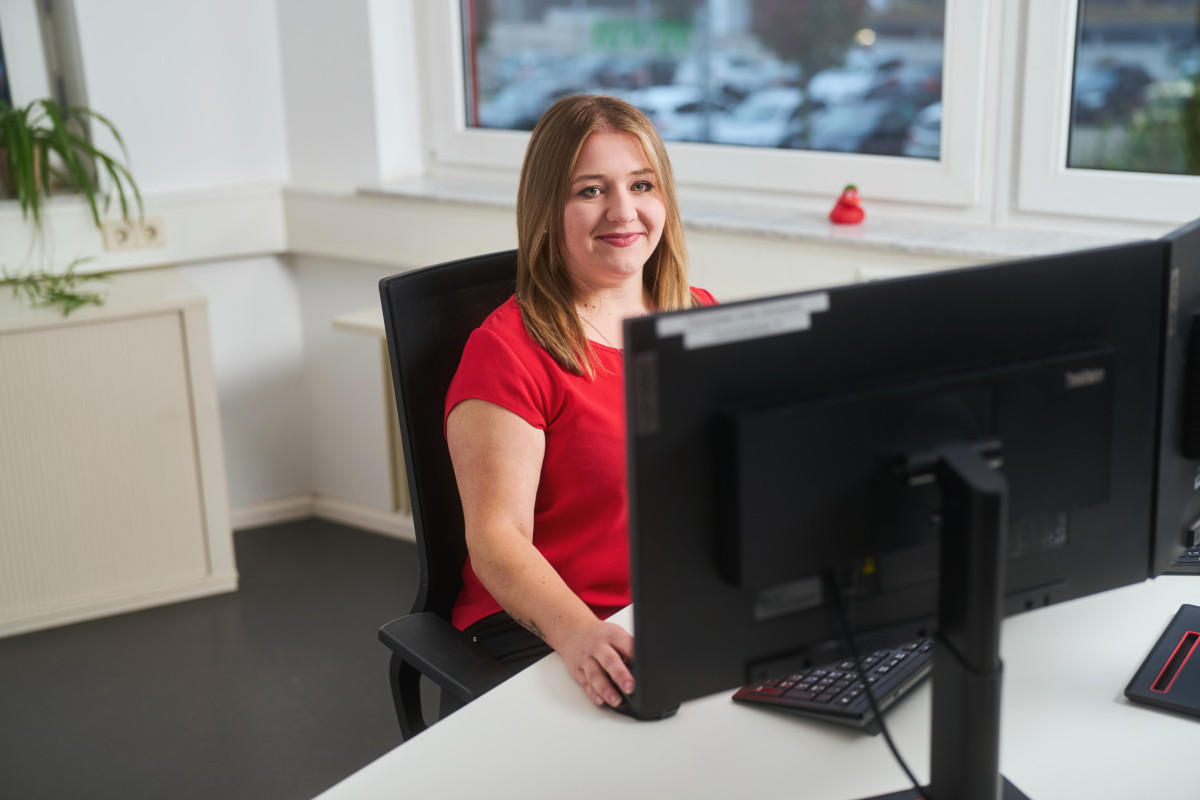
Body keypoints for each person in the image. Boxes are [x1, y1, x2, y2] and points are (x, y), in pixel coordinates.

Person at [444, 94, 717, 712]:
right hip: (548, 626)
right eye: (590, 190)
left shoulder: (700, 316)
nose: (623, 211)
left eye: (641, 184)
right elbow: (497, 536)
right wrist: (577, 632)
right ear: (547, 208)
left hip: (670, 608)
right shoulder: (506, 351)